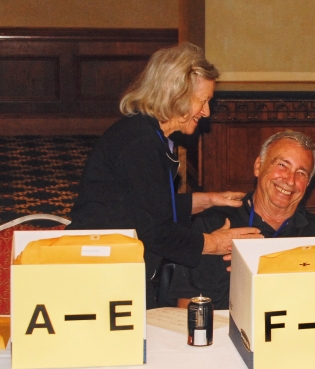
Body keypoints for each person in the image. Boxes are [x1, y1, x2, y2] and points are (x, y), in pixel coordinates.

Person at [67, 43, 262, 308]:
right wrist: (215, 243)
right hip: (97, 274)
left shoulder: (148, 134)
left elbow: (145, 204)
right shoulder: (139, 143)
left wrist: (207, 200)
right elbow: (155, 231)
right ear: (175, 94)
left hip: (115, 267)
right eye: (203, 101)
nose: (206, 112)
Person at [165, 130, 315, 309]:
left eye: (301, 173)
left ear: (308, 183)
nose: (290, 180)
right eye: (282, 165)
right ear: (258, 166)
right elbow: (187, 309)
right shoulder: (214, 225)